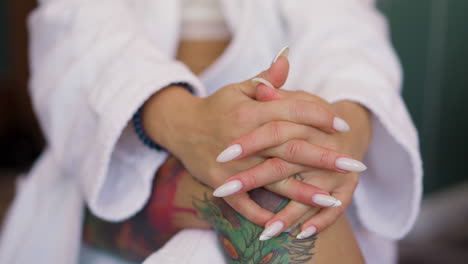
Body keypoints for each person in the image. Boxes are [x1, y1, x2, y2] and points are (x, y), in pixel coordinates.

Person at [0, 0, 422, 264]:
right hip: (126, 146)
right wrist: (185, 120)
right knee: (273, 197)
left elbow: (347, 34)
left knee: (280, 189)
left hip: (285, 145)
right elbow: (80, 31)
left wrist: (341, 126)